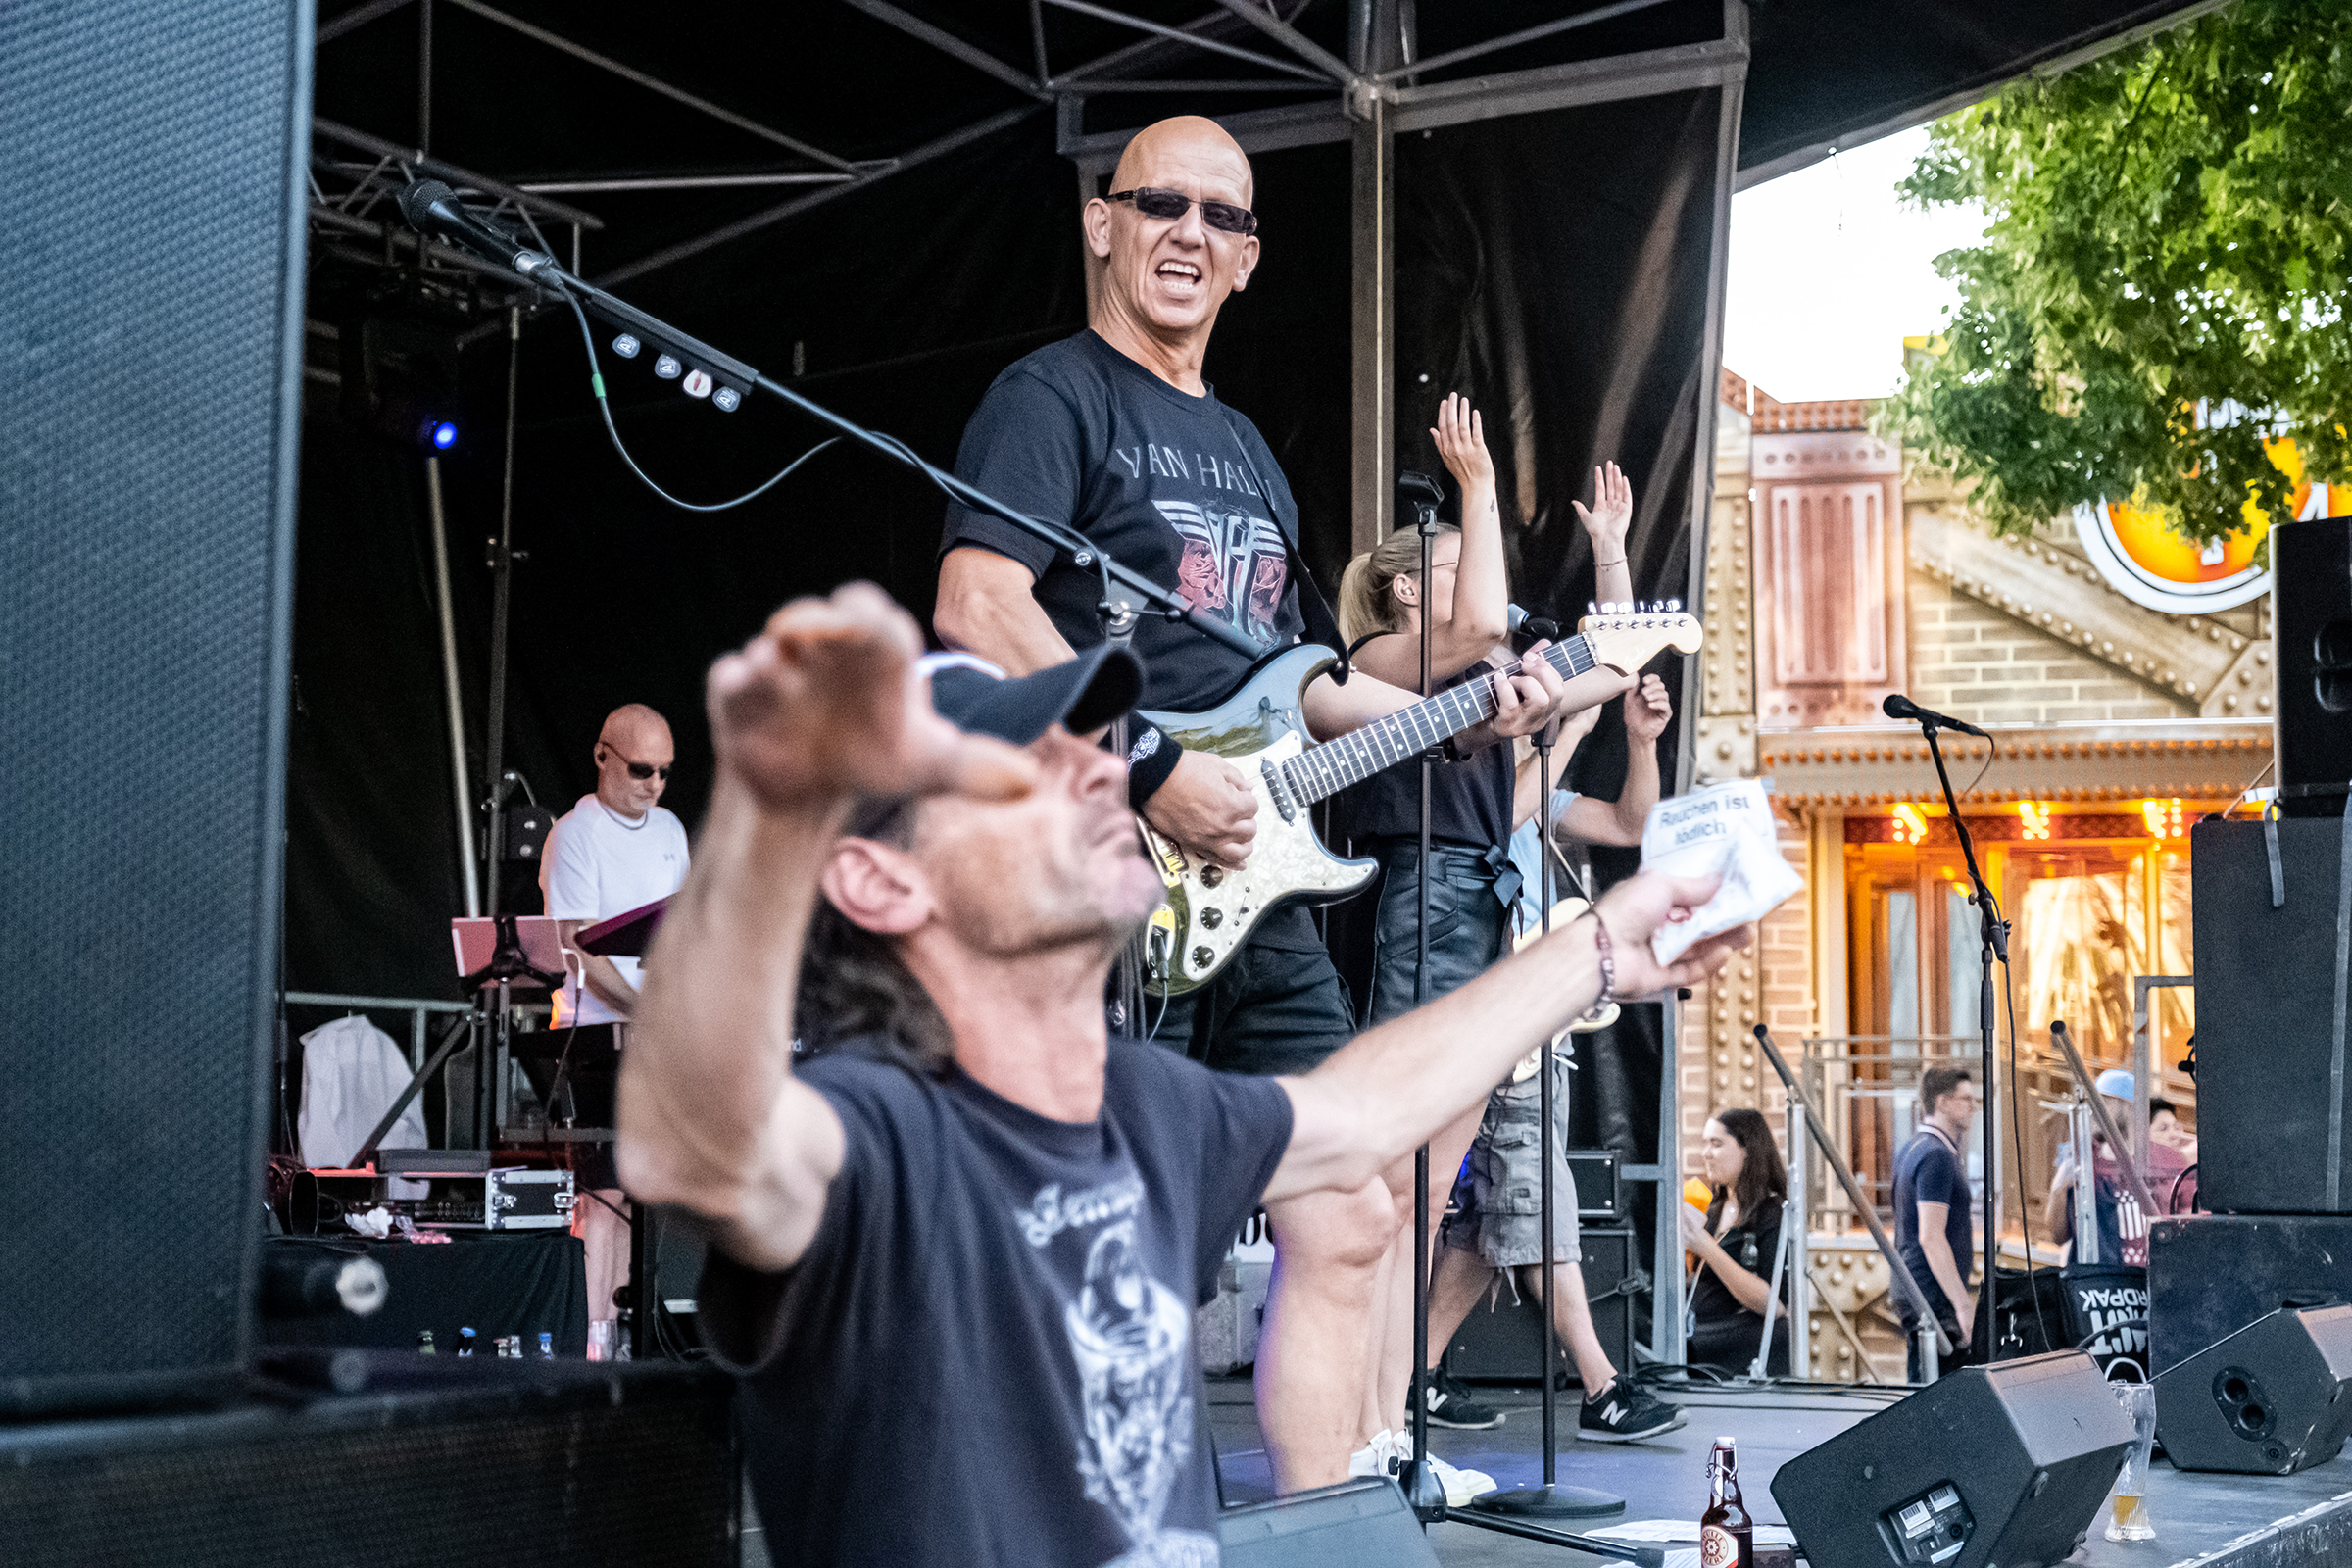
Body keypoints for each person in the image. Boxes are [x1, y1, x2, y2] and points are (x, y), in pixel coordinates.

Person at [614, 583, 1746, 1566]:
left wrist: (1601, 945)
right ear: (883, 881)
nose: (1104, 770)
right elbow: (695, 1141)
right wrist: (771, 810)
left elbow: (1364, 1109)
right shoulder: (880, 1131)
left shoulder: (1146, 1107)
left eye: (1092, 741)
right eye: (1030, 766)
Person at [928, 114, 1619, 1492]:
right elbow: (976, 603)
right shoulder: (1050, 397)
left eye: (1223, 217)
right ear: (1101, 223)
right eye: (1161, 204)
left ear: (1249, 259)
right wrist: (1147, 767)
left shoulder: (1245, 445)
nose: (1191, 234)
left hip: (1257, 884)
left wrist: (1468, 708)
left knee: (1354, 1194)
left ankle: (1335, 1510)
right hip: (1108, 863)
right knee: (1106, 1223)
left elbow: (1301, 686)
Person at [1329, 403, 1639, 1486]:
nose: (1489, 589)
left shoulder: (1484, 676)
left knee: (1433, 1189)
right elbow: (1469, 635)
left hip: (1479, 906)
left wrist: (1611, 552)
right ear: (1412, 589)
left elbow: (1610, 665)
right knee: (1399, 1184)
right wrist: (1478, 488)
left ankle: (1391, 1432)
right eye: (1461, 567)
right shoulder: (1378, 656)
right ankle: (1366, 1426)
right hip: (1423, 901)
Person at [1418, 674, 1686, 1443]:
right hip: (1499, 1012)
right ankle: (1602, 1386)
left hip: (1539, 1022)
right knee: (1534, 1198)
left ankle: (1413, 1375)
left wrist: (1637, 740)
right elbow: (1501, 815)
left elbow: (1630, 824)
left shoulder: (1542, 785)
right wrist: (1571, 727)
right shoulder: (1470, 781)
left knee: (1494, 1213)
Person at [539, 702, 690, 1337]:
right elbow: (576, 948)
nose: (654, 784)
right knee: (600, 1194)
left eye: (665, 772)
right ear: (603, 756)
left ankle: (627, 1340)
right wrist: (647, 1011)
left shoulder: (671, 830)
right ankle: (592, 1344)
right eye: (641, 769)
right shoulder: (575, 835)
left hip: (655, 1037)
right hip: (592, 1035)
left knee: (642, 1193)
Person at [1679, 1109, 1792, 1376]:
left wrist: (1706, 1247)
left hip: (1735, 1344)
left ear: (1748, 1149)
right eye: (1705, 1143)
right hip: (1700, 1331)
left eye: (1716, 1143)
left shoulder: (1771, 1212)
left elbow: (1774, 1305)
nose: (1706, 1153)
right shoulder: (1714, 1210)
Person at [2042, 1067, 2188, 1268]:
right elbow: (2057, 1236)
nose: (2095, 1111)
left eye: (2105, 1102)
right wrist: (2059, 1188)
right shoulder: (2084, 1159)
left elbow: (2189, 1229)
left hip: (2153, 1279)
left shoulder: (2169, 1160)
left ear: (2129, 1107)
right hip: (2102, 1281)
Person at [1892, 1065, 1980, 1382]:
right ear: (1942, 1102)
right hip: (1932, 1295)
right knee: (1937, 1392)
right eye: (1966, 1099)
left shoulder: (1914, 1147)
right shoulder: (1937, 1156)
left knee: (1924, 1387)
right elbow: (1931, 1237)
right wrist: (1963, 1305)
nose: (1973, 1107)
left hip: (1918, 1289)